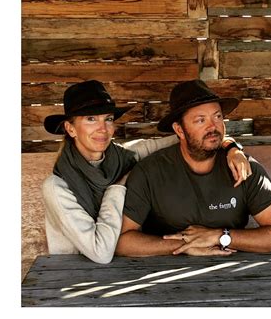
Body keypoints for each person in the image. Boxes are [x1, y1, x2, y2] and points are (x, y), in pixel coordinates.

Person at [42, 80, 251, 264]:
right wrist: (117, 187)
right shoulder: (58, 187)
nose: (103, 129)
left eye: (108, 119)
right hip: (74, 273)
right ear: (70, 128)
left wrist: (232, 148)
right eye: (90, 119)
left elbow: (196, 136)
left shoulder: (125, 156)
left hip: (127, 267)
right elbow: (101, 252)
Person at [115, 79, 271, 257]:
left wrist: (220, 236)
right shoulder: (150, 172)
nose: (213, 127)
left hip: (233, 267)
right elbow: (122, 241)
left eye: (217, 117)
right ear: (179, 130)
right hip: (162, 270)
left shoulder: (243, 167)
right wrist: (186, 245)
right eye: (201, 120)